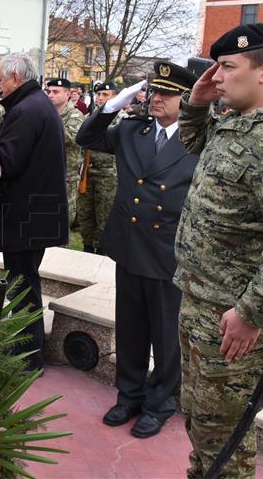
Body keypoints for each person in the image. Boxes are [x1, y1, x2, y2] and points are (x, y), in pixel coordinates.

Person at [175, 22, 263, 477]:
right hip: (200, 300)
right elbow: (191, 142)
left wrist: (250, 313)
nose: (217, 77)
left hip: (233, 318)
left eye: (228, 67)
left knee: (224, 441)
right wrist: (195, 102)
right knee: (199, 420)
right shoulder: (236, 123)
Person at [78, 62, 199, 438]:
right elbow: (88, 138)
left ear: (187, 100)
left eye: (167, 94)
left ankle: (160, 403)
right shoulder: (134, 129)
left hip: (168, 252)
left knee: (165, 334)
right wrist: (114, 104)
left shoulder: (200, 138)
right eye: (153, 92)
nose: (156, 99)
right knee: (130, 328)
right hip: (130, 246)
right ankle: (128, 394)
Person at [0, 53, 68, 373]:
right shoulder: (37, 104)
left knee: (22, 285)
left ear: (15, 77)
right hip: (33, 216)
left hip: (25, 218)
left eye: (1, 80)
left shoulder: (26, 110)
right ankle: (26, 349)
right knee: (23, 281)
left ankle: (28, 356)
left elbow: (6, 161)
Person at [76, 81, 119, 254]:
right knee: (86, 215)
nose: (101, 98)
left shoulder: (123, 119)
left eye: (105, 95)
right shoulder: (90, 118)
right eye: (99, 95)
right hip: (87, 173)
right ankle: (87, 246)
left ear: (115, 97)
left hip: (109, 176)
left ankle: (102, 251)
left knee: (105, 217)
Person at [46, 77, 83, 228]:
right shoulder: (47, 113)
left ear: (68, 94)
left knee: (63, 218)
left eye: (55, 92)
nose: (50, 95)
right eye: (49, 91)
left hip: (66, 175)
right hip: (47, 173)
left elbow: (70, 138)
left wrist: (52, 121)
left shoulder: (75, 115)